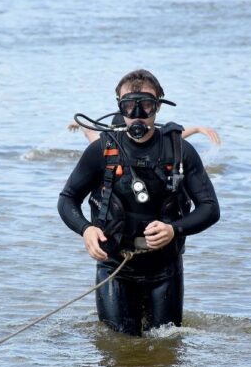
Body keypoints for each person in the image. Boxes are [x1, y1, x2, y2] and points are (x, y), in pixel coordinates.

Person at [58, 69, 220, 336]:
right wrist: (85, 229)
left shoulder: (180, 151)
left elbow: (210, 208)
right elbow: (67, 200)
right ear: (119, 107)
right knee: (118, 345)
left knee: (165, 348)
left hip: (164, 269)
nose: (137, 115)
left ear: (158, 106)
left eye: (146, 105)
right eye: (128, 106)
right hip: (114, 267)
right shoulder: (101, 150)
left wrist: (174, 229)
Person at [68, 118, 221, 145]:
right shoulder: (106, 144)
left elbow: (172, 137)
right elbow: (89, 131)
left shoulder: (150, 138)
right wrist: (78, 122)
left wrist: (197, 129)